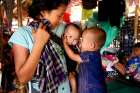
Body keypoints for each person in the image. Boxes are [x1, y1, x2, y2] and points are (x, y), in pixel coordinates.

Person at [8, 0, 70, 93]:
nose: (61, 20)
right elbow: (23, 78)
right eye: (59, 15)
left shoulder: (58, 30)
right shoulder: (23, 34)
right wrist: (39, 44)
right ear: (43, 12)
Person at [63, 26, 107, 93]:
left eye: (82, 40)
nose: (79, 42)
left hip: (91, 89)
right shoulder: (95, 55)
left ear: (91, 45)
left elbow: (72, 56)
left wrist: (65, 44)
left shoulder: (90, 55)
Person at [63, 23, 81, 93]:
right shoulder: (61, 44)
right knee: (72, 80)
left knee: (74, 78)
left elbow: (78, 60)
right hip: (65, 71)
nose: (71, 40)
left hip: (73, 70)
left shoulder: (75, 47)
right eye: (70, 37)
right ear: (64, 34)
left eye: (75, 39)